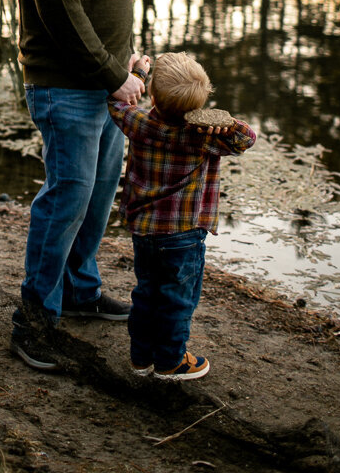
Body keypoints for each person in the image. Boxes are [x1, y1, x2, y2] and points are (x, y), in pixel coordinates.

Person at [11, 0, 154, 370]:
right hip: (67, 84)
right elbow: (58, 6)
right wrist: (108, 72)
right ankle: (33, 320)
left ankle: (79, 290)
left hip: (104, 77)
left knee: (96, 197)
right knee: (66, 196)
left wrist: (129, 58)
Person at [109, 51, 257, 380]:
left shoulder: (141, 124)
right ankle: (170, 361)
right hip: (184, 235)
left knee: (146, 291)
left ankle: (141, 356)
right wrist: (224, 121)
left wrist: (138, 73)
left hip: (144, 230)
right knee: (178, 297)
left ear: (154, 96)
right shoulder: (204, 136)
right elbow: (247, 138)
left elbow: (116, 104)